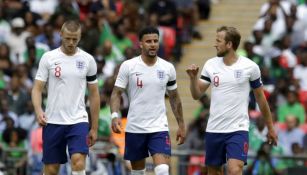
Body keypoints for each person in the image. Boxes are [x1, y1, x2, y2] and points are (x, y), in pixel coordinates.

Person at [186, 26, 278, 175]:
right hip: (214, 129)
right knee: (214, 172)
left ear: (229, 44)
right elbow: (196, 95)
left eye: (218, 41)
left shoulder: (250, 67)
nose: (215, 44)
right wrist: (192, 79)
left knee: (235, 170)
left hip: (238, 129)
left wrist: (270, 128)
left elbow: (261, 99)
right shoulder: (210, 64)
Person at [110, 26, 186, 175]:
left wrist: (181, 125)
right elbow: (116, 93)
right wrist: (114, 115)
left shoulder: (167, 68)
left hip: (159, 128)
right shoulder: (129, 66)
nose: (152, 44)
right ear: (140, 44)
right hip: (135, 128)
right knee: (138, 172)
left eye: (155, 41)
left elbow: (174, 97)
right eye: (148, 41)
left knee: (163, 170)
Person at [31, 20, 100, 175]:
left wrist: (94, 128)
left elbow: (94, 94)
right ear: (60, 34)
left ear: (80, 38)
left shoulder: (88, 60)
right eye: (68, 38)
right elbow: (36, 89)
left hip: (78, 120)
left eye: (75, 39)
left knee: (78, 161)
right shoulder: (48, 58)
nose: (71, 42)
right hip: (53, 121)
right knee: (51, 169)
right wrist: (38, 110)